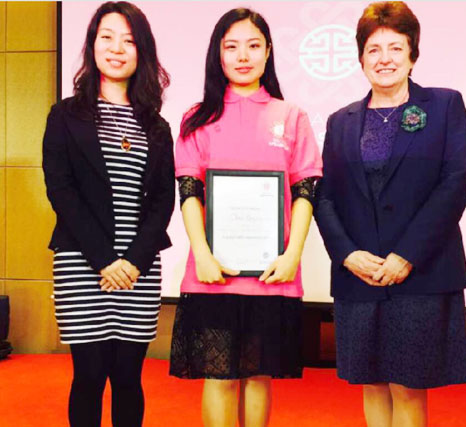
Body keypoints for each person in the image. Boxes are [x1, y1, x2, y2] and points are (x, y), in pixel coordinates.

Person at [314, 2, 466, 426]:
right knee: (371, 383)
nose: (384, 59)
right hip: (360, 275)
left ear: (412, 55)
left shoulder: (444, 106)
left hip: (420, 274)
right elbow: (325, 196)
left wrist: (407, 255)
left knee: (408, 387)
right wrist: (347, 255)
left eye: (395, 48)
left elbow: (454, 184)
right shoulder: (340, 121)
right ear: (361, 58)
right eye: (374, 49)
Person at [168, 8, 322, 427]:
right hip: (213, 271)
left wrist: (292, 255)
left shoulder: (291, 116)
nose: (242, 56)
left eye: (253, 46)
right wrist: (202, 255)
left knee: (258, 376)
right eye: (231, 46)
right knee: (218, 377)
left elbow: (305, 191)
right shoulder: (197, 118)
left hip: (272, 274)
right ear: (217, 54)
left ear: (268, 52)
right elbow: (189, 191)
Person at [42, 2, 174, 425]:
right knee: (88, 377)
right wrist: (104, 260)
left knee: (128, 378)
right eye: (107, 37)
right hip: (83, 263)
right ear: (92, 44)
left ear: (142, 51)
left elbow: (162, 200)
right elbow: (61, 190)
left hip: (138, 269)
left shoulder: (156, 125)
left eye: (129, 40)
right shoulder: (65, 116)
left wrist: (132, 262)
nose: (117, 48)